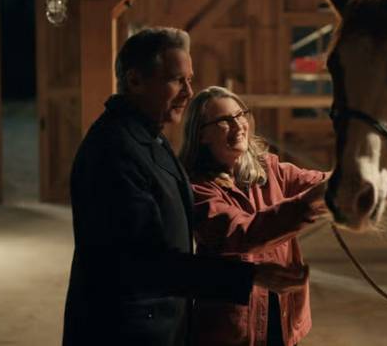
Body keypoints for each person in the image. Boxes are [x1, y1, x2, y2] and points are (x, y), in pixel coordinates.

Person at [63, 28, 309, 346]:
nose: (189, 92)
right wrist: (251, 276)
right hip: (124, 332)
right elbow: (146, 264)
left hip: (158, 326)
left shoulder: (149, 137)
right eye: (177, 80)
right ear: (135, 81)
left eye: (189, 80)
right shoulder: (114, 151)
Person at [179, 86, 329, 346]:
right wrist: (307, 203)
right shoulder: (198, 188)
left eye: (241, 115)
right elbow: (243, 232)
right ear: (201, 135)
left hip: (283, 321)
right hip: (231, 331)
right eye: (225, 121)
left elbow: (321, 181)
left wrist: (379, 181)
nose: (239, 126)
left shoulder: (270, 169)